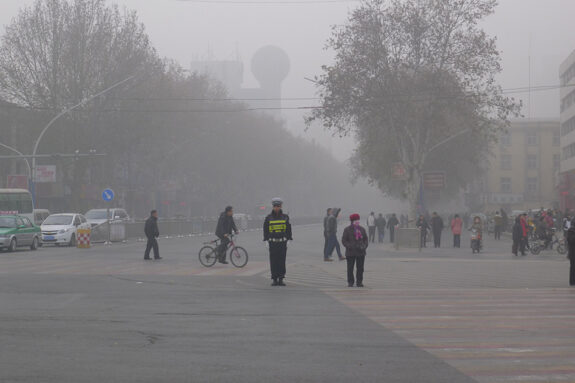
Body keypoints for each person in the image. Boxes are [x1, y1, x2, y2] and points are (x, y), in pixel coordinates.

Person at [263, 198, 293, 286]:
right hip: (272, 243)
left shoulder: (285, 217)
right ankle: (274, 279)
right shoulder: (268, 218)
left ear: (281, 206)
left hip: (282, 242)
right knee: (273, 261)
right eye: (275, 206)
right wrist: (266, 240)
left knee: (281, 261)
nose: (276, 208)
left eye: (278, 206)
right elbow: (265, 230)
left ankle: (281, 278)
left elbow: (288, 229)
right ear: (273, 207)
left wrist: (289, 239)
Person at [341, 213, 369, 287]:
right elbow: (344, 240)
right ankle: (350, 282)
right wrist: (349, 246)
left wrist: (364, 246)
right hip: (350, 252)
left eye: (358, 220)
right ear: (352, 221)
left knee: (360, 268)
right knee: (350, 268)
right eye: (356, 220)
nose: (357, 221)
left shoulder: (362, 229)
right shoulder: (347, 229)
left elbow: (366, 239)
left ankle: (359, 282)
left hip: (361, 252)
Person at [566, 218, 575, 286]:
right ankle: (572, 282)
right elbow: (571, 241)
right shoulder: (571, 230)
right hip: (573, 253)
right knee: (573, 267)